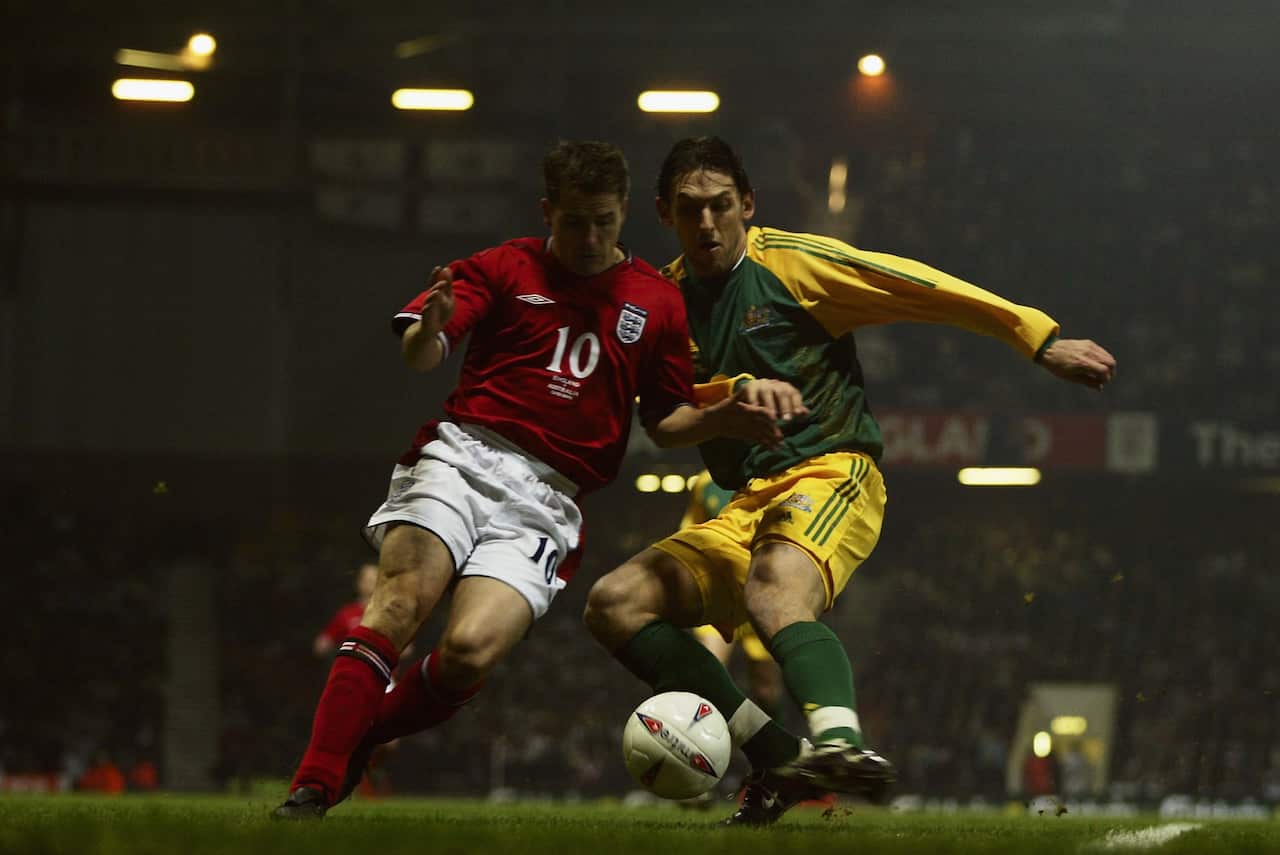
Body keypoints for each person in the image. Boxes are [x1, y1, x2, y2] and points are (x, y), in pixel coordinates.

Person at [583, 135, 1118, 826]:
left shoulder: (793, 265)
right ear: (665, 213)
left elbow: (918, 285)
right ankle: (779, 757)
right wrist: (730, 400)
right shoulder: (664, 302)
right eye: (690, 209)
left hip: (832, 468)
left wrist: (1037, 338)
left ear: (748, 204)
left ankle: (840, 743)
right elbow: (663, 421)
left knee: (774, 590)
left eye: (721, 205)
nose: (707, 222)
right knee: (614, 603)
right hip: (745, 503)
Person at [272, 139, 792, 819]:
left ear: (624, 212)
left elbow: (665, 421)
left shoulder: (657, 301)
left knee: (467, 652)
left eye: (604, 221)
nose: (589, 238)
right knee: (397, 603)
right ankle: (312, 785)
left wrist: (724, 417)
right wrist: (427, 331)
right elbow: (424, 352)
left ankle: (357, 739)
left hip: (549, 500)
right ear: (548, 211)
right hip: (464, 457)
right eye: (574, 221)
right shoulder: (502, 266)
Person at [313, 563, 379, 658]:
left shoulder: (388, 613)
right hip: (352, 664)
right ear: (359, 582)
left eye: (374, 580)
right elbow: (324, 642)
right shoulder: (347, 613)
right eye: (368, 580)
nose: (371, 584)